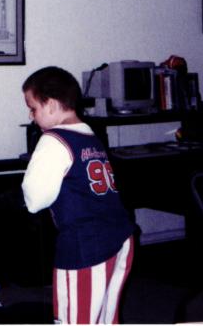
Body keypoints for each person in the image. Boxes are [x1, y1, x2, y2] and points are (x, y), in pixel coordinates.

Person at [21, 66, 136, 324]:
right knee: (106, 317)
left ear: (51, 105)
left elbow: (35, 200)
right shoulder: (91, 136)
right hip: (120, 236)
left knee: (75, 319)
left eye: (33, 108)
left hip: (85, 245)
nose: (31, 116)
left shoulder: (54, 139)